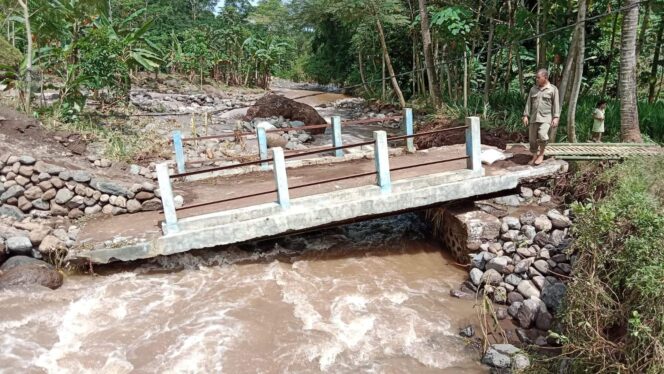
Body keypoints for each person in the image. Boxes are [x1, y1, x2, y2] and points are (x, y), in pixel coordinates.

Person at [522, 69, 560, 165]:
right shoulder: (533, 89)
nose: (537, 79)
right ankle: (534, 156)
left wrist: (556, 117)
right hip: (534, 117)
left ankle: (541, 154)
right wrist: (525, 115)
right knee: (532, 139)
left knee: (543, 135)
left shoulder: (553, 89)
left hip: (546, 117)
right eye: (536, 77)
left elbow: (556, 104)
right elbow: (528, 103)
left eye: (539, 78)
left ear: (545, 78)